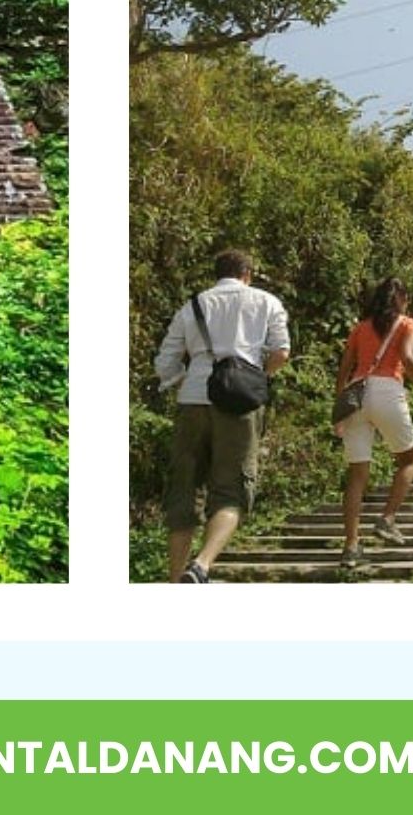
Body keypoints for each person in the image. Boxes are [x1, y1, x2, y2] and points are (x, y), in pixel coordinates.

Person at [153, 248, 290, 583]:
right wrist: (257, 377)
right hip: (240, 405)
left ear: (218, 273)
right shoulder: (266, 302)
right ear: (248, 273)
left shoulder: (194, 305)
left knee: (183, 490)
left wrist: (181, 377)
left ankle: (175, 581)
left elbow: (164, 363)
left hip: (193, 402)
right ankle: (201, 564)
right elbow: (281, 352)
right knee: (232, 490)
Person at [333, 276, 413, 570]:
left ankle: (350, 547)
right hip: (387, 391)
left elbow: (343, 370)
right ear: (402, 300)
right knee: (408, 460)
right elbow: (406, 358)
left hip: (356, 393)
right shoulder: (406, 324)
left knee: (357, 474)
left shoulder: (359, 328)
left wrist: (339, 408)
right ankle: (387, 518)